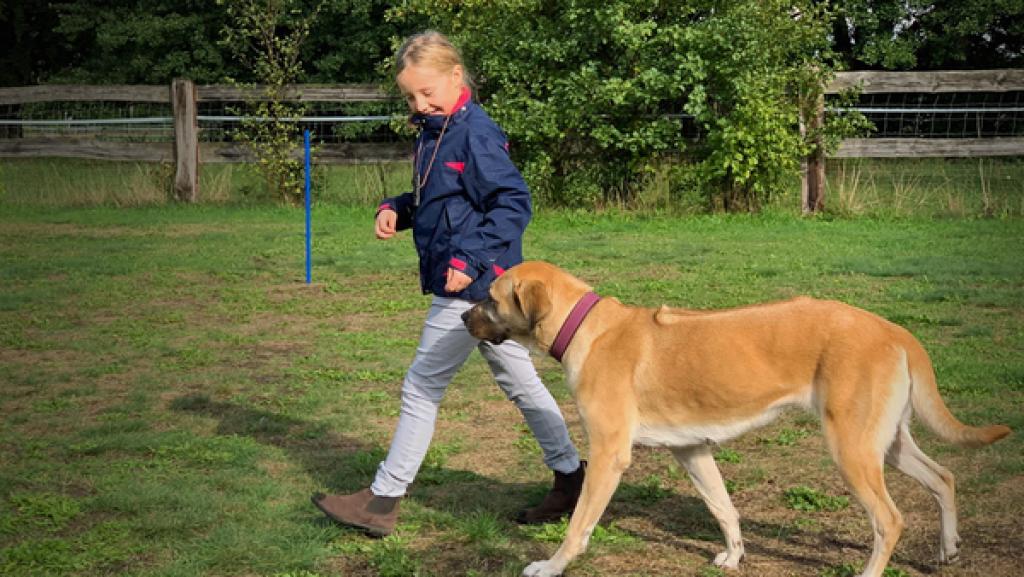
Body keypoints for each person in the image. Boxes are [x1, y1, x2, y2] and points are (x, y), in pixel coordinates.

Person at [311, 30, 585, 537]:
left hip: (475, 287)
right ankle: (571, 479)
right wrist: (398, 208)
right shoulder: (434, 131)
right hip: (469, 277)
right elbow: (441, 199)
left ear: (456, 77)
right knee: (521, 383)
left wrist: (469, 257)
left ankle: (382, 500)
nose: (419, 105)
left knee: (421, 386)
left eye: (427, 92)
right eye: (410, 97)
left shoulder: (475, 132)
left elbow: (512, 202)